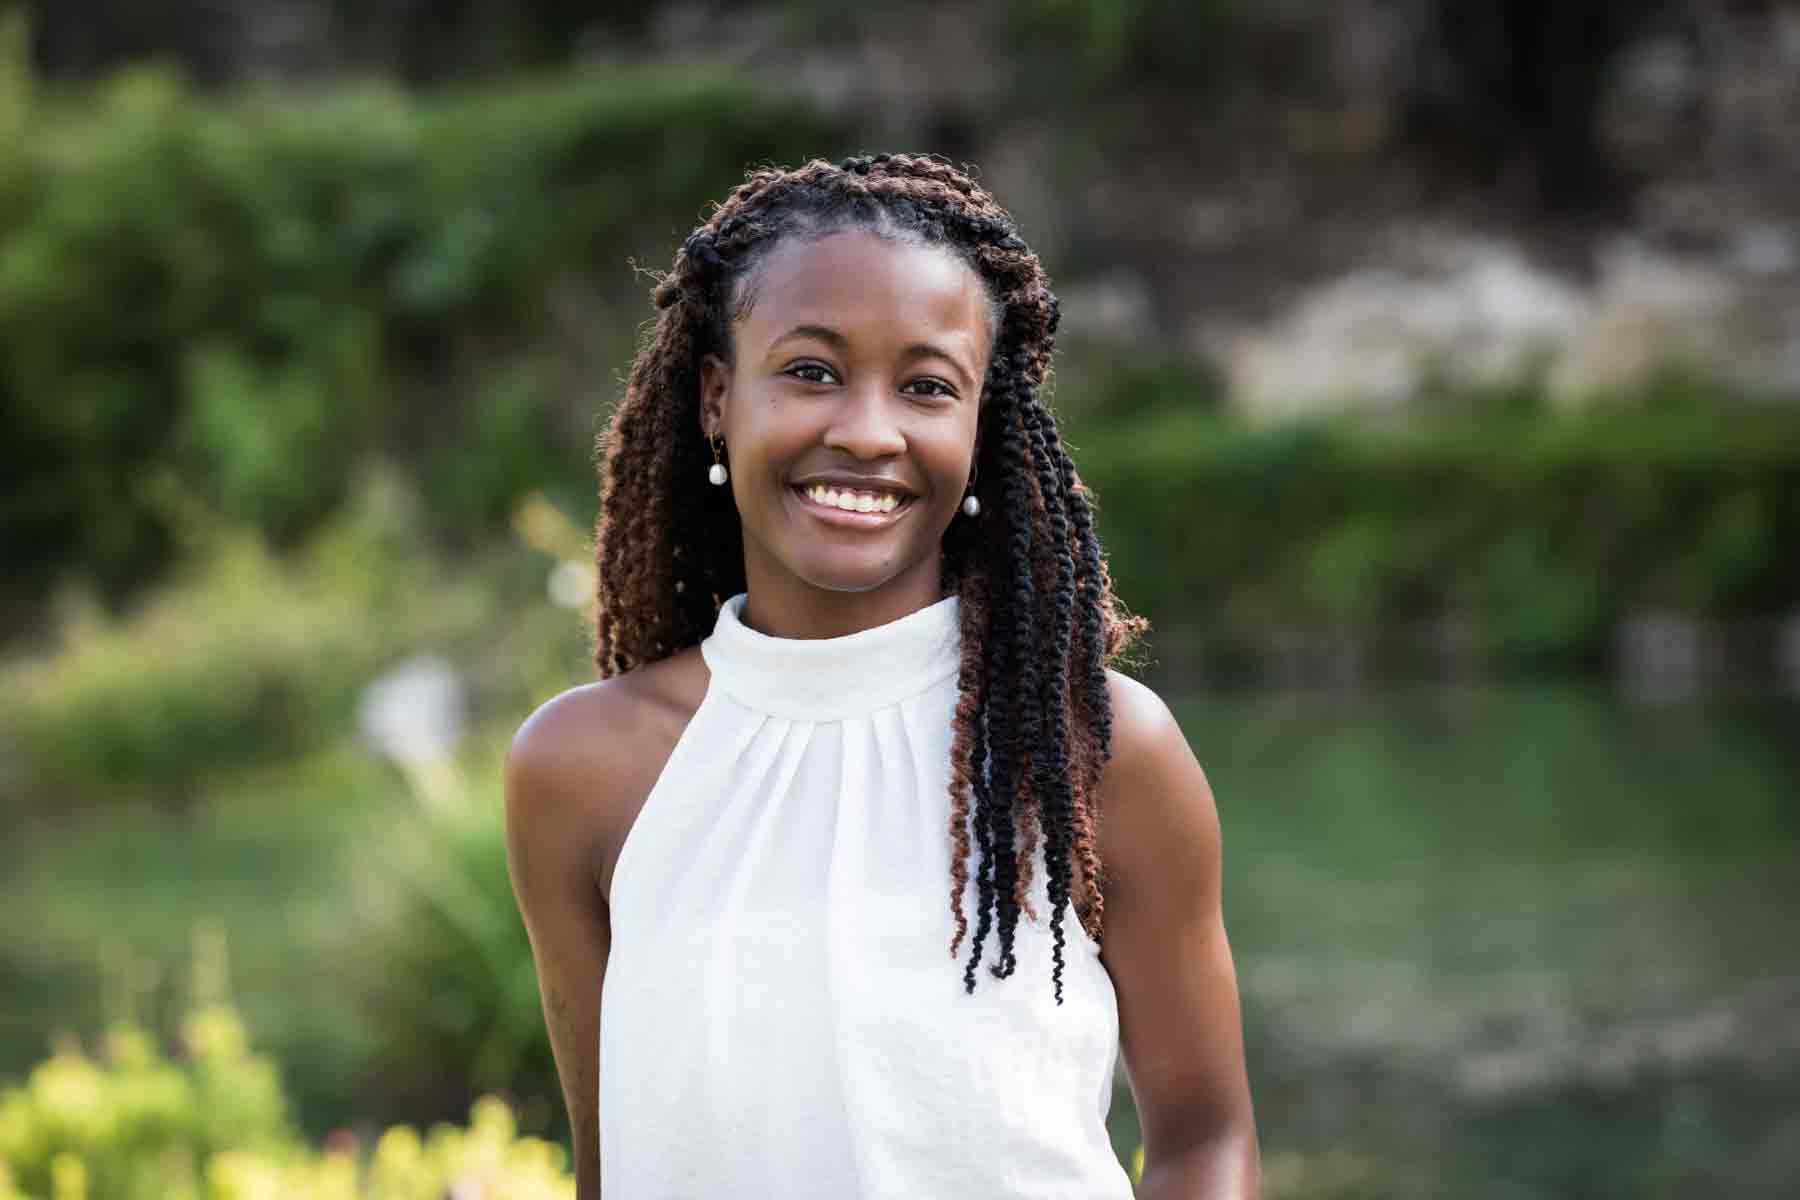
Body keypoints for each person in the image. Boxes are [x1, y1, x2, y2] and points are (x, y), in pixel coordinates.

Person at [503, 152, 1259, 1199]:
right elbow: (611, 1162)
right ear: (718, 397)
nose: (866, 430)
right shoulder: (579, 769)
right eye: (811, 371)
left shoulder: (1102, 748)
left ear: (979, 422)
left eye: (926, 386)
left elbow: (1204, 1142)